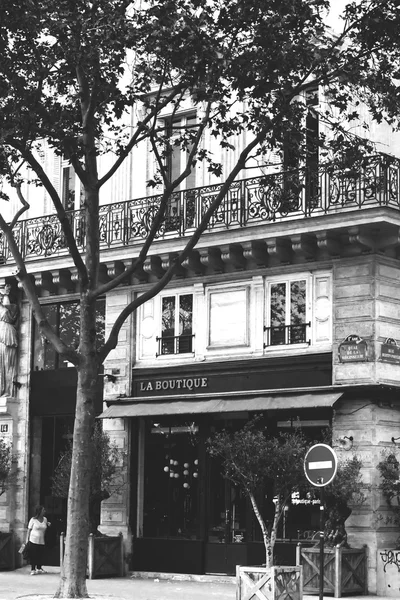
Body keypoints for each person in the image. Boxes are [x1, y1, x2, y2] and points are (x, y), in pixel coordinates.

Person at [0, 284, 18, 397]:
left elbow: (8, 309)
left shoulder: (12, 307)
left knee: (8, 363)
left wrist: (5, 294)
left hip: (7, 334)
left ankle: (7, 390)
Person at [26, 505, 51, 575]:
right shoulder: (33, 520)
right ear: (39, 511)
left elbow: (45, 525)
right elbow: (29, 530)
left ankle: (39, 568)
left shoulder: (45, 519)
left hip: (41, 540)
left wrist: (48, 524)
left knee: (40, 554)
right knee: (33, 554)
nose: (44, 511)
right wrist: (27, 539)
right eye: (43, 510)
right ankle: (33, 569)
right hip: (33, 539)